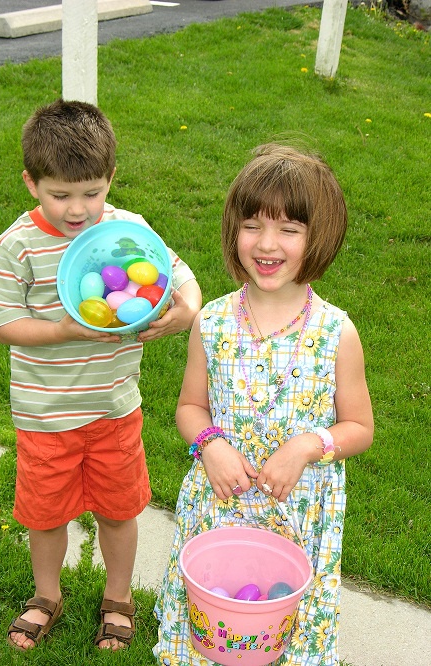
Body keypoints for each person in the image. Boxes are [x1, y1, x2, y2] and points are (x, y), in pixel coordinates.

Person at [0, 98, 202, 652]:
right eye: (61, 195)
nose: (78, 209)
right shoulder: (17, 246)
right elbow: (3, 324)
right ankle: (45, 596)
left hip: (113, 409)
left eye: (92, 192)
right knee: (46, 513)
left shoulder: (128, 231)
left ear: (111, 179)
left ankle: (119, 597)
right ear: (32, 183)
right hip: (45, 414)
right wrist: (62, 330)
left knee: (119, 508)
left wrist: (181, 314)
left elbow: (182, 280)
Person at [153, 143, 374, 666]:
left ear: (318, 238)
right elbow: (190, 406)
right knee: (213, 625)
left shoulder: (335, 332)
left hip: (300, 513)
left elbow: (359, 427)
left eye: (289, 230)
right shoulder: (212, 321)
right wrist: (209, 445)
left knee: (283, 629)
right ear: (234, 229)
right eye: (252, 224)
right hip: (220, 504)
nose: (266, 243)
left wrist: (307, 445)